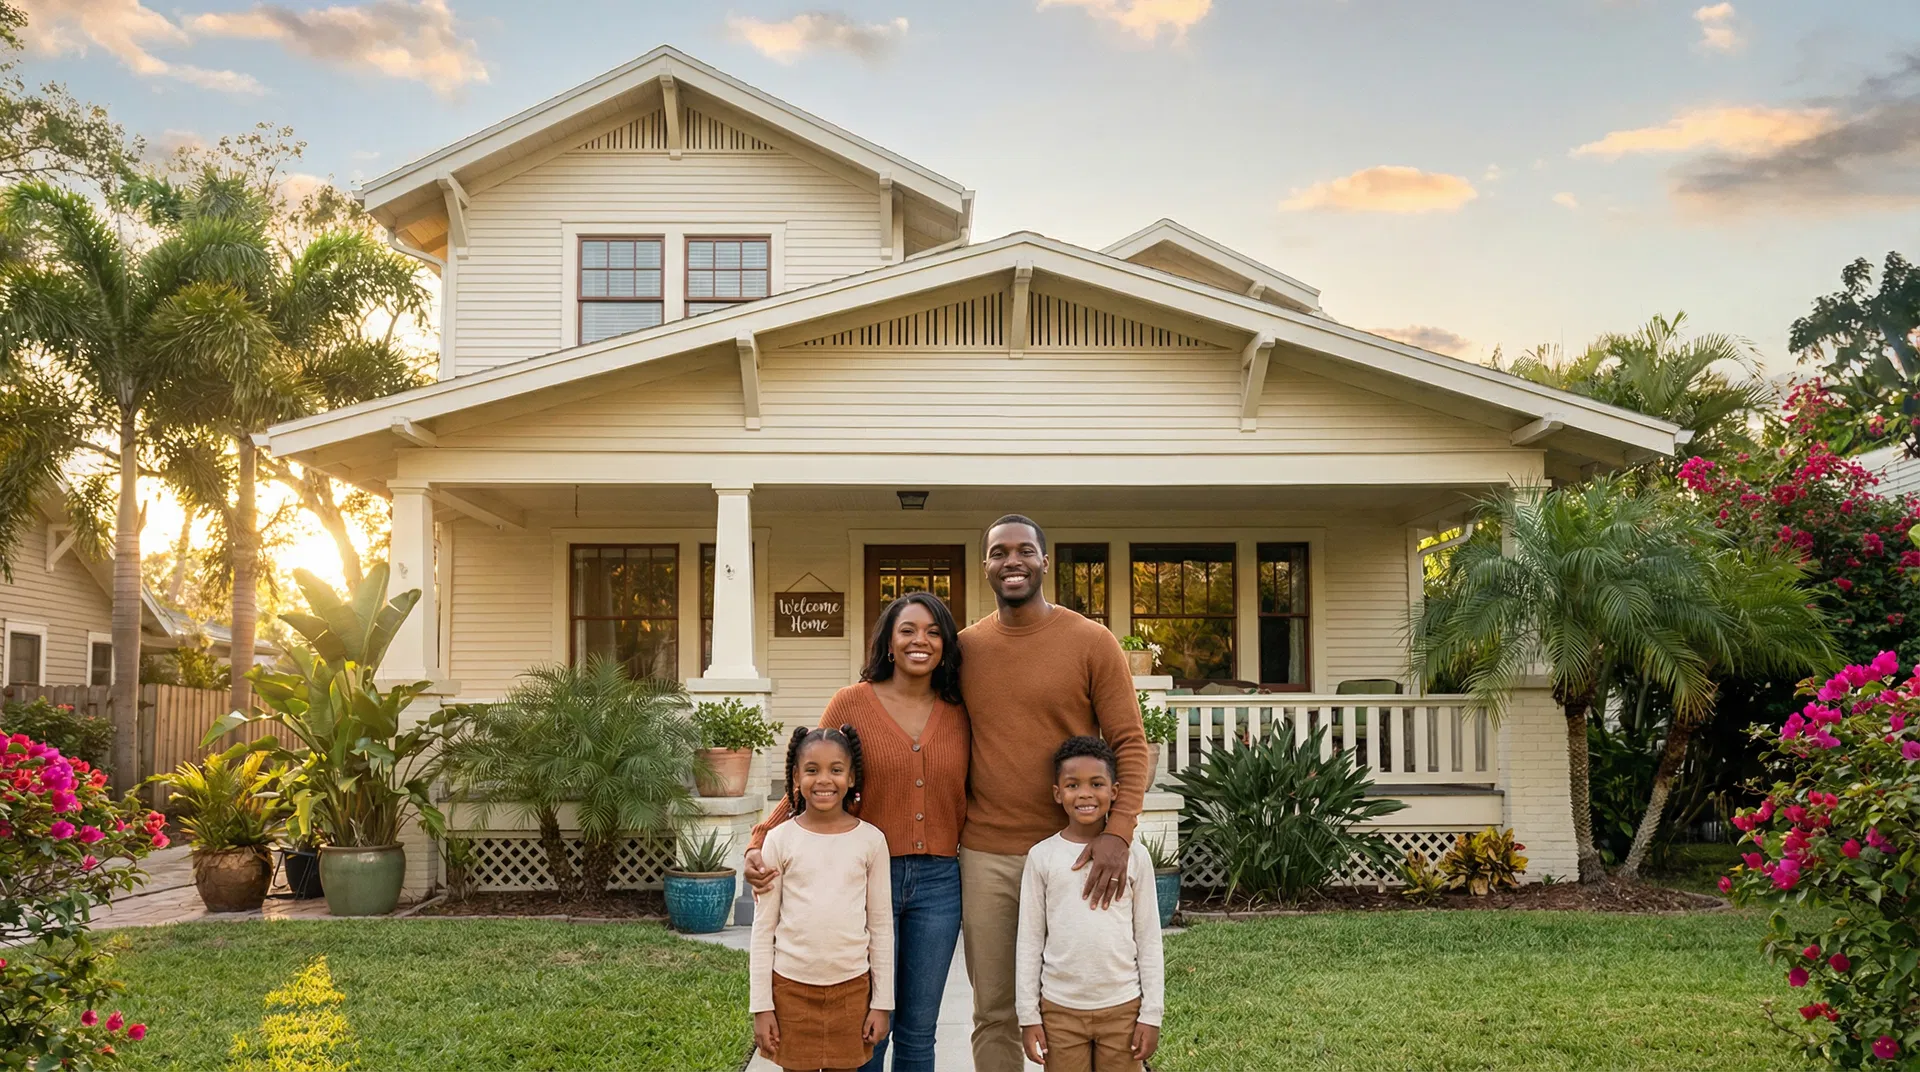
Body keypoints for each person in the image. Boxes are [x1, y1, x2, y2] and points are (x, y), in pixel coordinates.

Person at [745, 592, 970, 1072]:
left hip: (939, 884)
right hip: (865, 878)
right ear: (888, 642)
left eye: (933, 632)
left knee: (918, 1032)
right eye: (907, 630)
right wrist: (761, 838)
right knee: (866, 1031)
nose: (920, 640)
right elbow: (809, 779)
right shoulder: (851, 703)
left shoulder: (960, 711)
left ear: (946, 646)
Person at [960, 514, 1153, 1072]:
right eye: (999, 552)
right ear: (986, 565)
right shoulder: (966, 649)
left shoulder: (1092, 641)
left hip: (1079, 856)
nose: (1012, 561)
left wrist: (1118, 833)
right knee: (995, 1010)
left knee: (1080, 1002)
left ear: (1045, 561)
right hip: (989, 853)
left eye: (1025, 550)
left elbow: (1130, 744)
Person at [751, 725, 894, 1072]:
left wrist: (881, 1003)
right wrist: (762, 1006)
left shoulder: (871, 842)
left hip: (852, 990)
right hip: (791, 989)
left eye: (836, 769)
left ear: (851, 777)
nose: (824, 780)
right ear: (796, 776)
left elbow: (881, 928)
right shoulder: (779, 840)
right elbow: (763, 929)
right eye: (812, 770)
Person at [1016, 736, 1163, 1072]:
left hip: (1123, 1007)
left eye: (1096, 784)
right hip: (1060, 1010)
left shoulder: (1136, 857)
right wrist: (1028, 1016)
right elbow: (1029, 941)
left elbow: (1149, 939)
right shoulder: (1042, 857)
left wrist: (1151, 1014)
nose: (1084, 794)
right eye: (1073, 785)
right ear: (1058, 793)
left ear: (1115, 791)